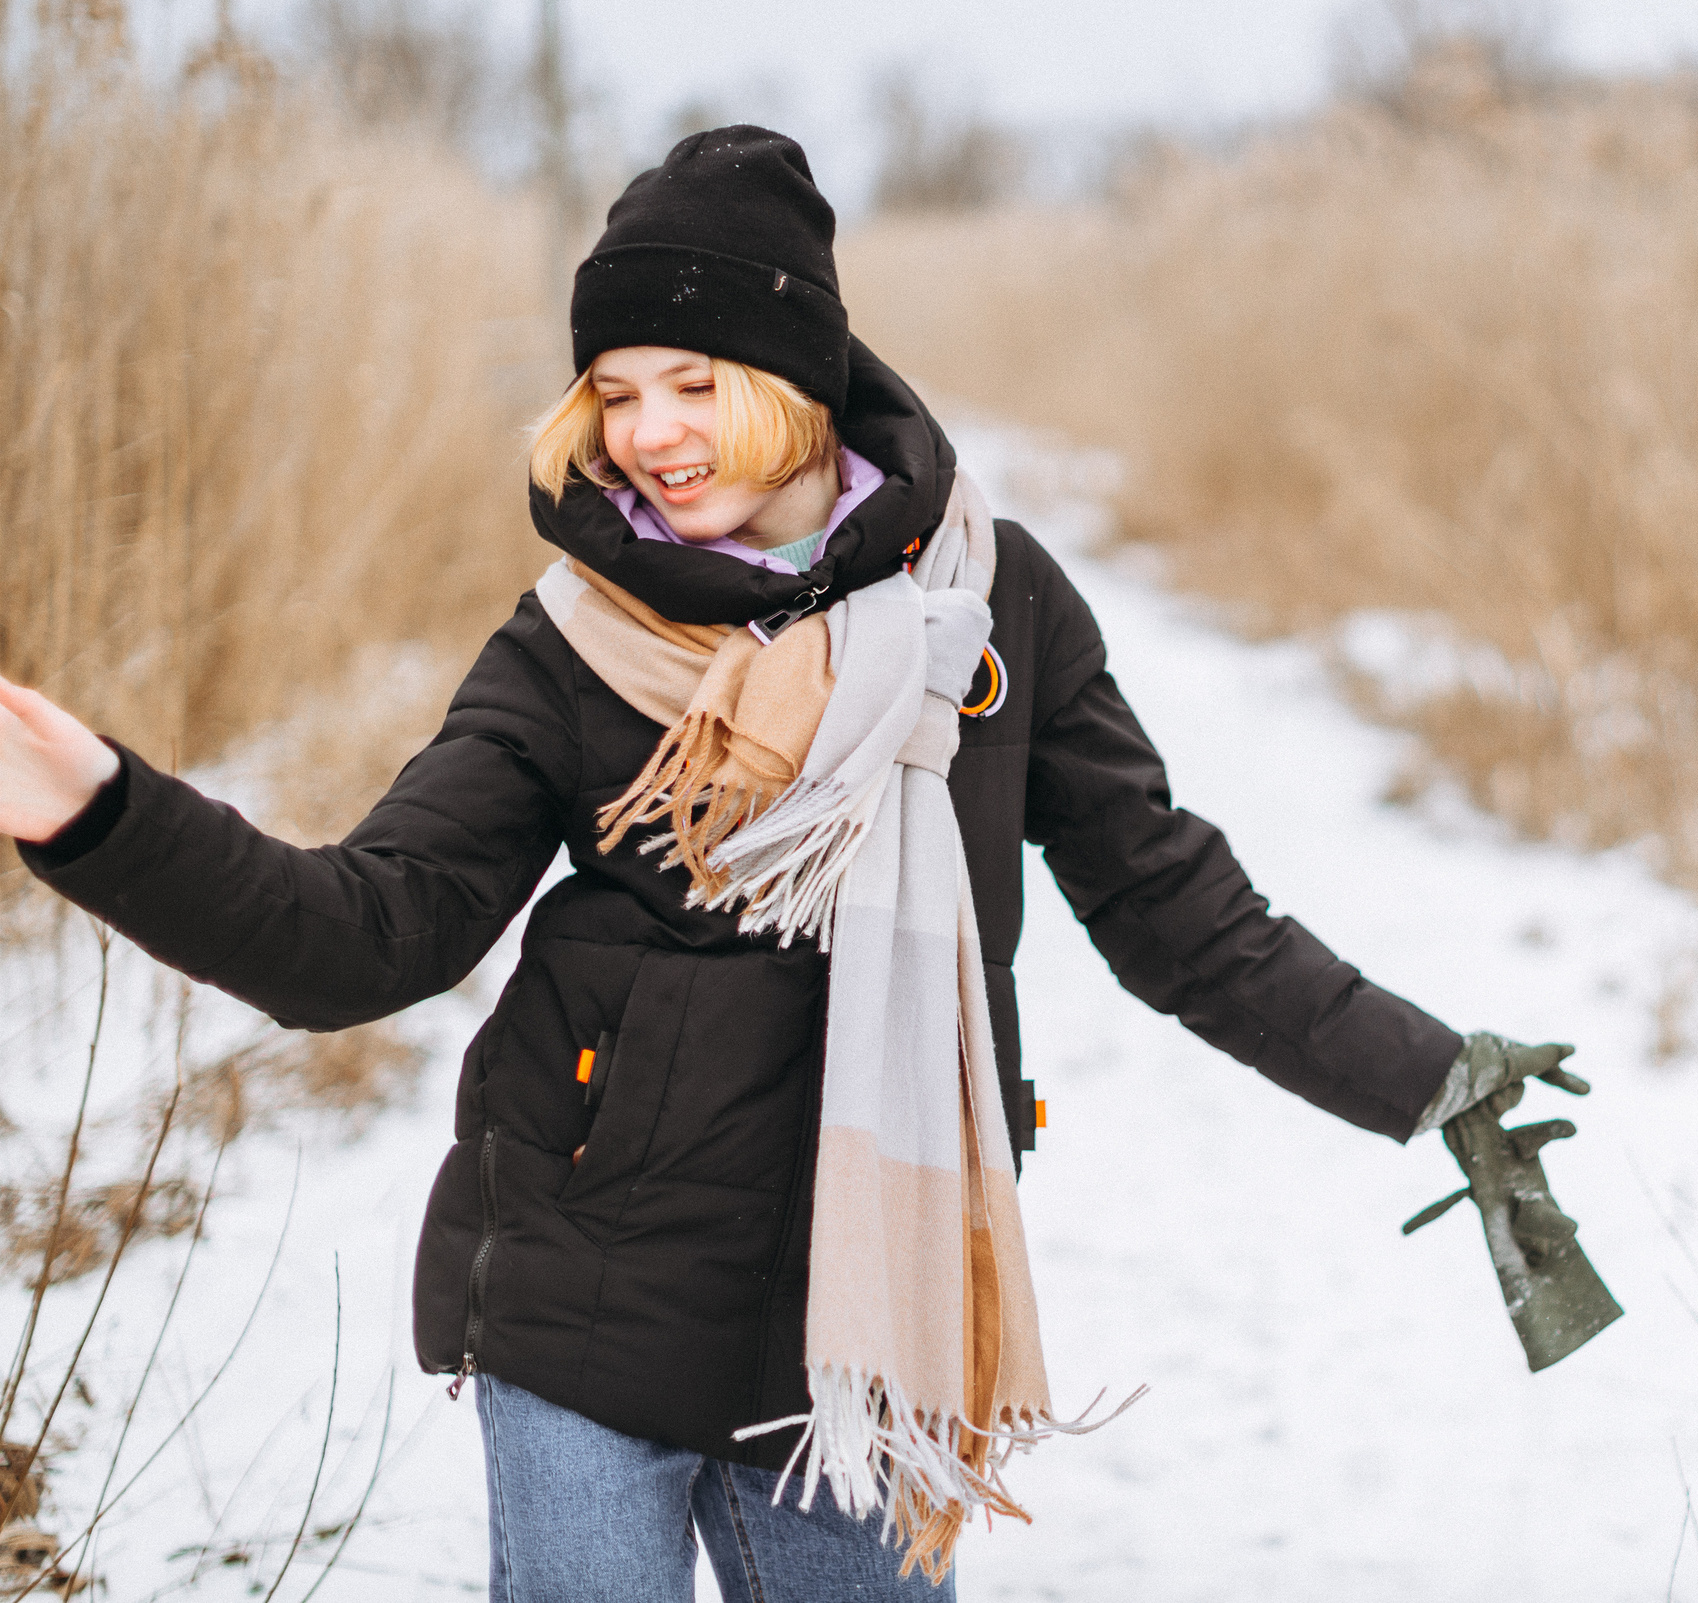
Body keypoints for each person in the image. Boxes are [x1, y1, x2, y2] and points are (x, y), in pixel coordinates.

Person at [0, 127, 1584, 1603]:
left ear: (798, 378)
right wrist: (97, 809)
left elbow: (1173, 905)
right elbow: (364, 937)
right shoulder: (574, 644)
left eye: (692, 383)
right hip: (583, 1296)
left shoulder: (994, 608)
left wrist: (1423, 1072)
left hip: (871, 1324)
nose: (649, 435)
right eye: (615, 393)